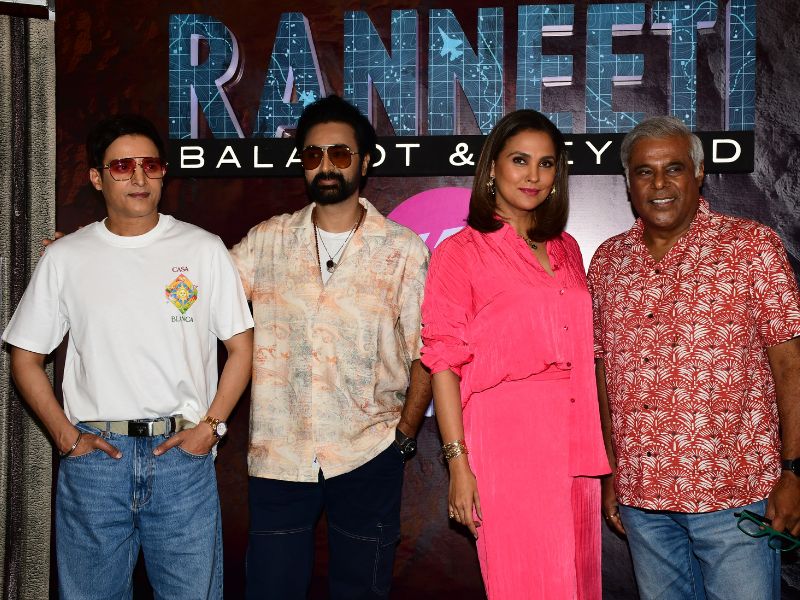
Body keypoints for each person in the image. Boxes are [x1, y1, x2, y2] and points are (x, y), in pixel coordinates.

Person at [2, 114, 254, 598]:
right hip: (95, 462)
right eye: (122, 166)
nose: (139, 177)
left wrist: (210, 428)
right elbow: (24, 358)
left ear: (163, 173)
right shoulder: (66, 257)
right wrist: (67, 438)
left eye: (150, 165)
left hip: (181, 459)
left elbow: (241, 348)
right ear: (97, 178)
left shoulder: (203, 249)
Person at [588, 115, 800, 599]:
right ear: (628, 181)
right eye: (644, 171)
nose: (659, 184)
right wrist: (614, 469)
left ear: (699, 172)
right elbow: (604, 370)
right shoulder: (608, 262)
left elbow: (791, 365)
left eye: (674, 168)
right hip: (644, 504)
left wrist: (793, 471)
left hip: (735, 497)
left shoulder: (751, 247)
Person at [230, 95, 431, 599]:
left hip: (368, 454)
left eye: (340, 154)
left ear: (365, 161)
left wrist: (404, 436)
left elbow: (427, 351)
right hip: (280, 455)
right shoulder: (267, 241)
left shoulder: (402, 249)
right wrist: (100, 256)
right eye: (313, 154)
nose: (326, 166)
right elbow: (191, 290)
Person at [420, 109, 610, 599]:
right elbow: (443, 362)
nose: (533, 175)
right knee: (528, 582)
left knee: (578, 582)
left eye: (546, 164)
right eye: (520, 160)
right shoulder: (460, 252)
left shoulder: (567, 248)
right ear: (492, 168)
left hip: (576, 435)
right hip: (507, 438)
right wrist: (458, 464)